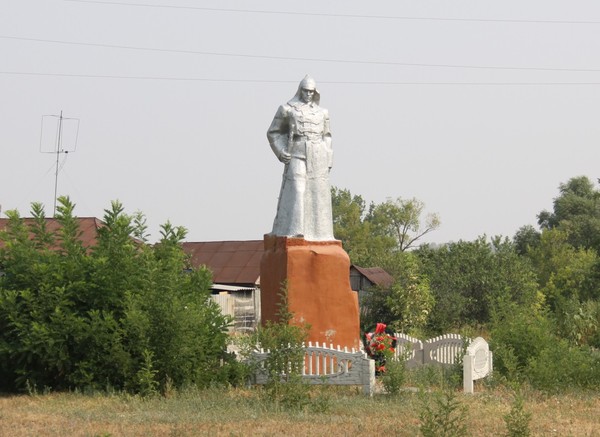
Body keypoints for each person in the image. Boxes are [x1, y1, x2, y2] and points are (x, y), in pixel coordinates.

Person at [267, 75, 335, 241]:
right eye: (305, 91)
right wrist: (280, 151)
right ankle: (295, 230)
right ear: (300, 90)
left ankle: (321, 234)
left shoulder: (322, 112)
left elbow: (327, 135)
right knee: (298, 189)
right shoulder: (287, 109)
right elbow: (273, 132)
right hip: (297, 151)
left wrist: (328, 157)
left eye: (311, 91)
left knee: (319, 193)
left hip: (318, 154)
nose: (308, 94)